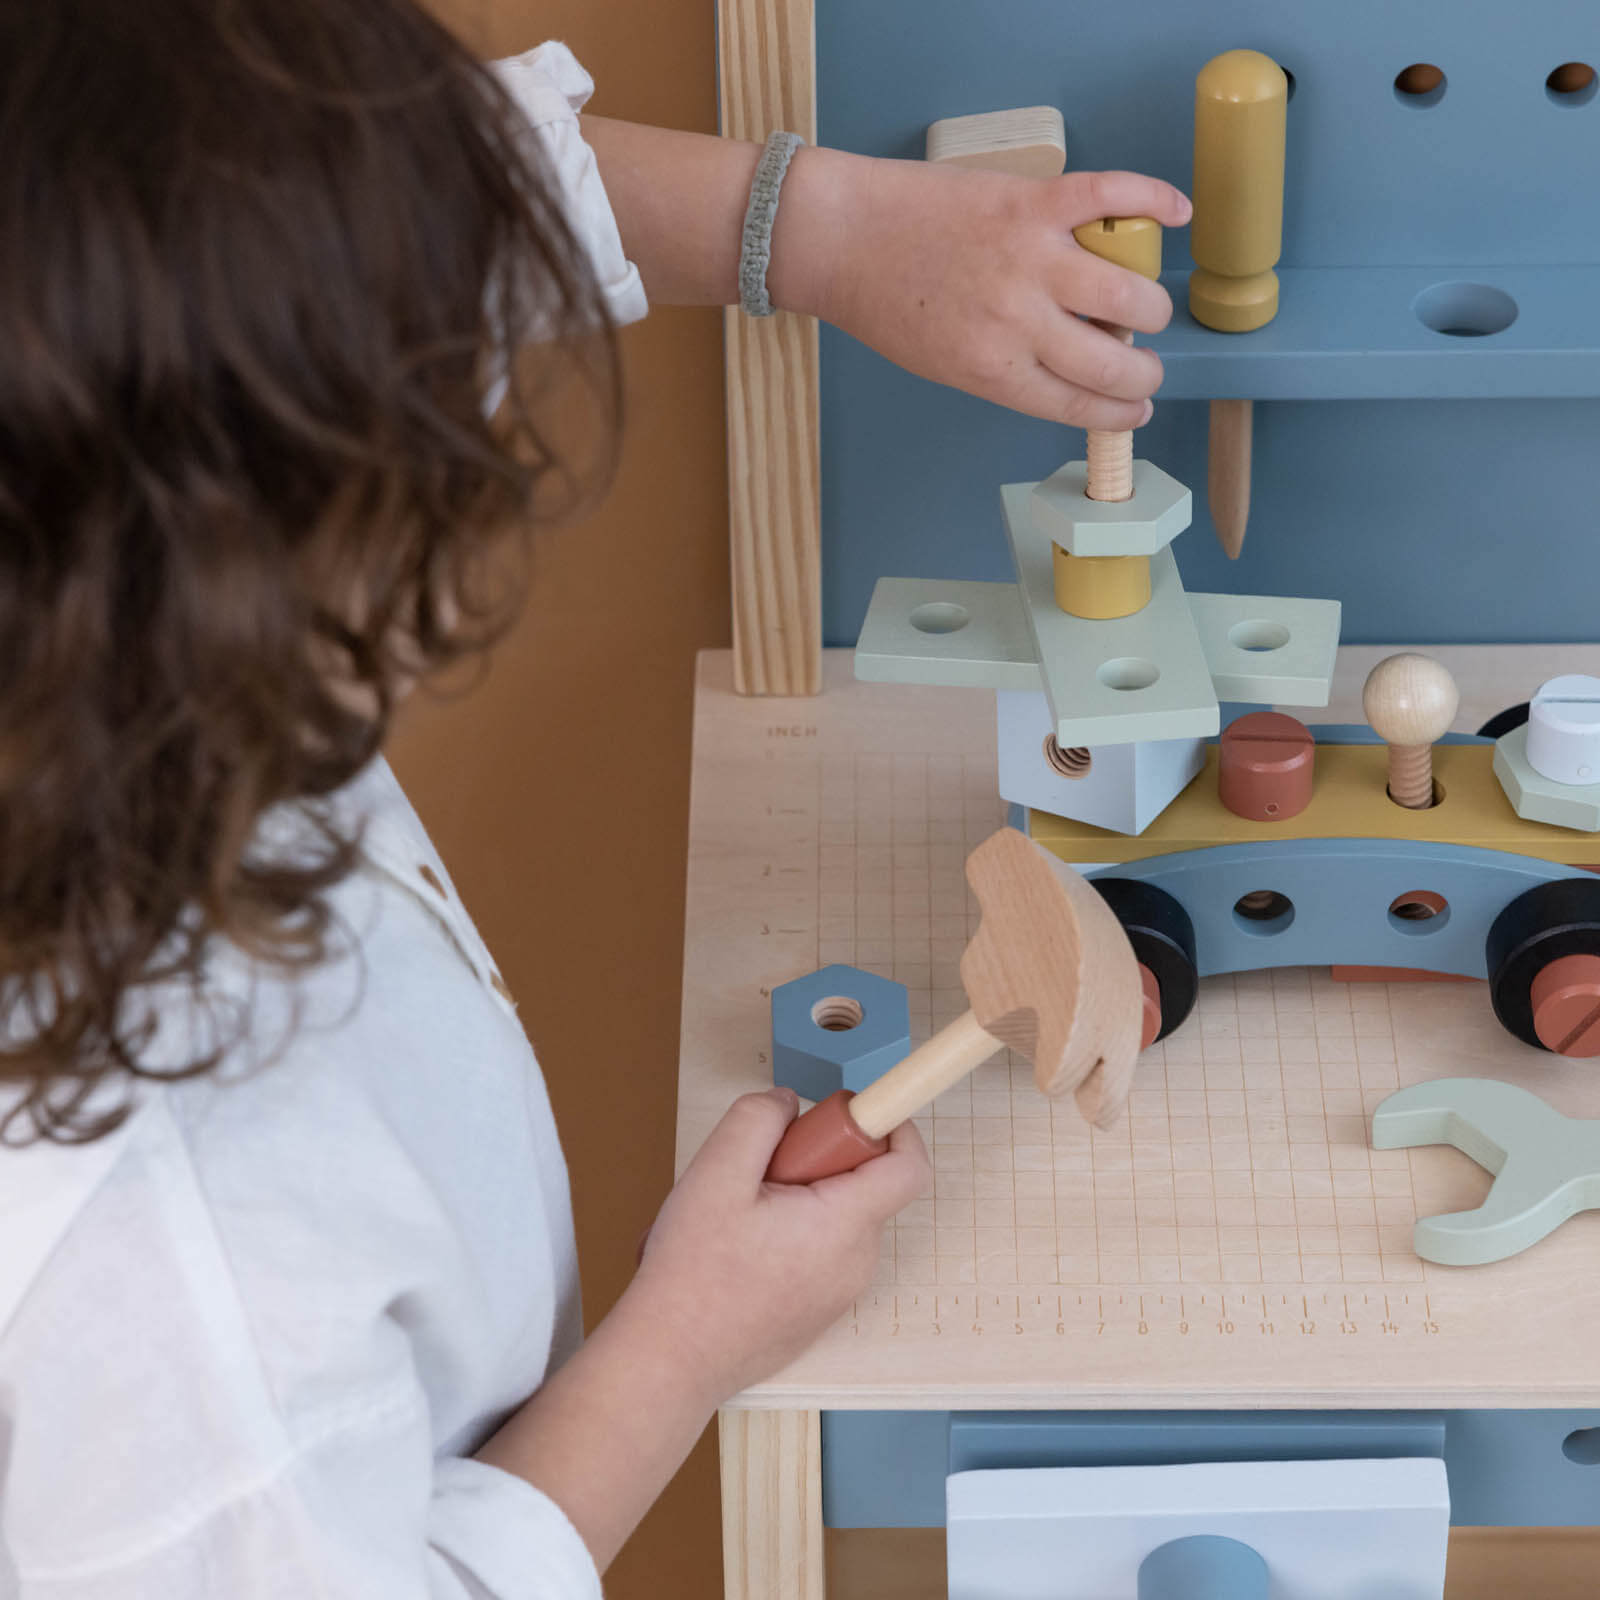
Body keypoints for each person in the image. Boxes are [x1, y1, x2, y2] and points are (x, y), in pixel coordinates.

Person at [0, 3, 1190, 1595]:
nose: (477, 412)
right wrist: (680, 1349)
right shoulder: (166, 1260)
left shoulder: (103, 564)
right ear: (251, 549)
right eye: (429, 439)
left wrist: (821, 230)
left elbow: (424, 207)